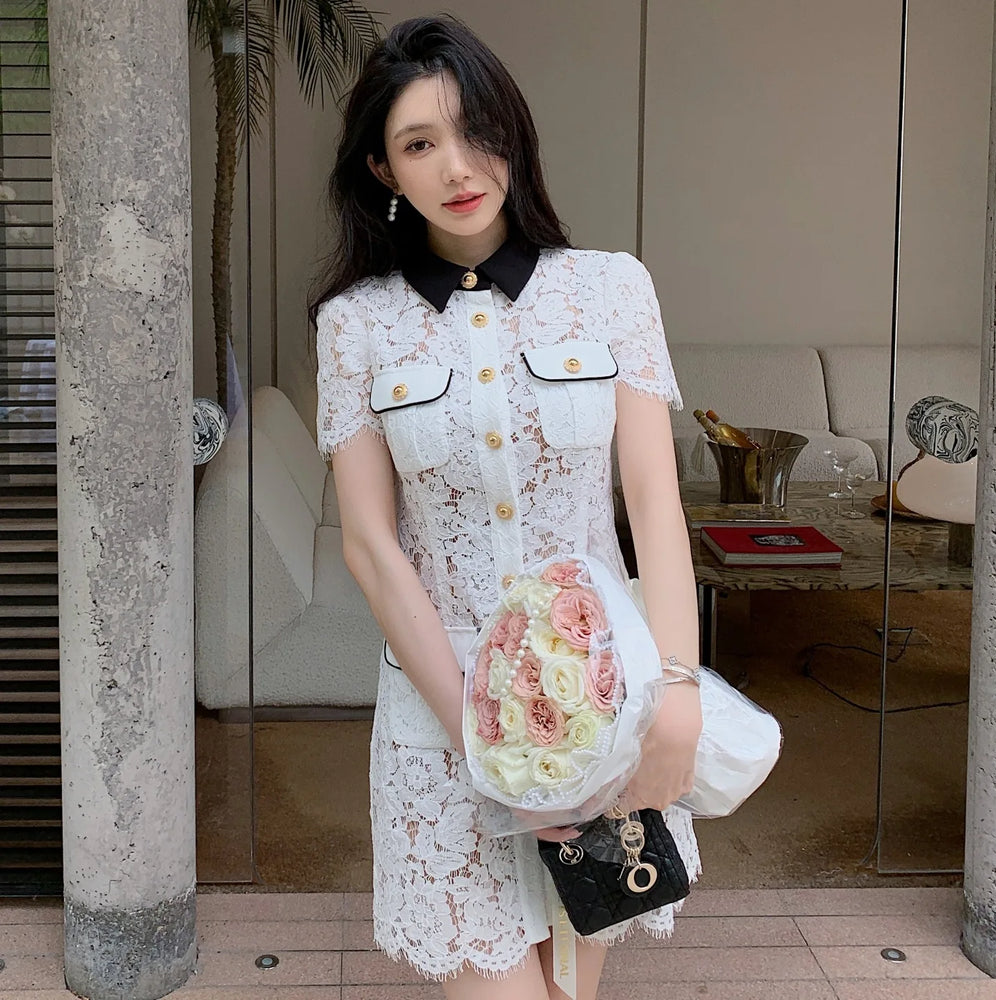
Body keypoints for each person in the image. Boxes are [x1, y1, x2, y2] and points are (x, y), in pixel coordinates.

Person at [310, 15, 703, 1000]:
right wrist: (492, 752)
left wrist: (680, 693)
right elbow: (370, 546)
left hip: (604, 715)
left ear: (514, 132)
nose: (455, 164)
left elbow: (654, 503)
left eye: (473, 127)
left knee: (572, 988)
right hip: (442, 737)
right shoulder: (357, 326)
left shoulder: (610, 291)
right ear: (382, 170)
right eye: (417, 143)